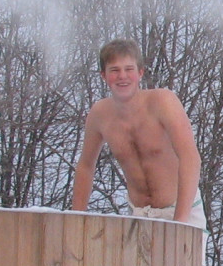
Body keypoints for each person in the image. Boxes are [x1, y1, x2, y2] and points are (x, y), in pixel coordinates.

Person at [70, 39, 203, 226]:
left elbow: (190, 158)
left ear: (140, 72)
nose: (122, 76)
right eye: (115, 70)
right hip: (139, 215)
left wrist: (180, 221)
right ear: (104, 75)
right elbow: (85, 166)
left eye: (129, 69)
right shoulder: (100, 114)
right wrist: (76, 219)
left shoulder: (163, 102)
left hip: (181, 212)